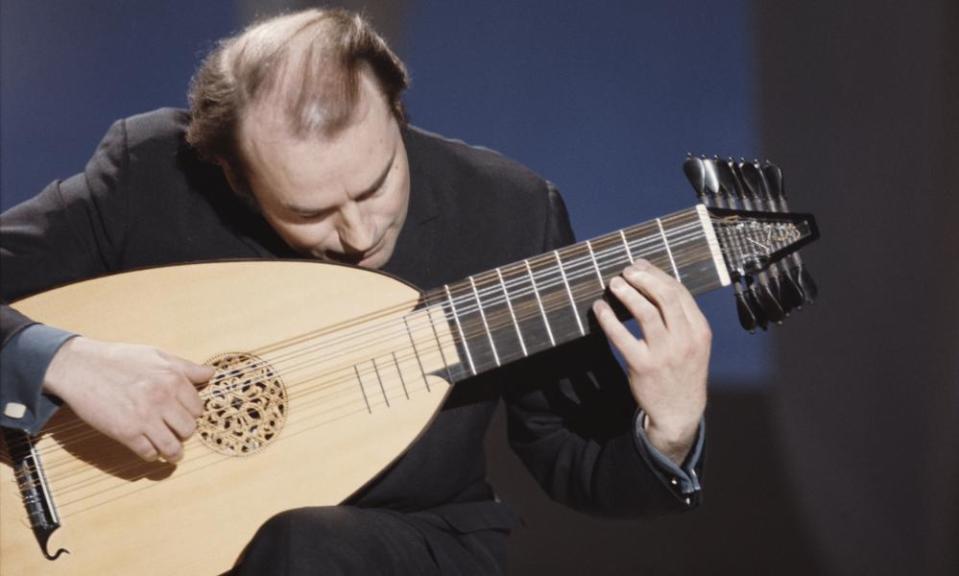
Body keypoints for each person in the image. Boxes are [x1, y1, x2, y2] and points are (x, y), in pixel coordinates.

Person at [0, 9, 710, 574]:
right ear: (233, 175)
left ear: (396, 113)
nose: (362, 231)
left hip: (403, 541)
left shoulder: (507, 210)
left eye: (376, 183)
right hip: (137, 534)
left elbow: (567, 452)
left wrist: (668, 432)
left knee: (306, 547)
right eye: (308, 212)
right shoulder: (151, 173)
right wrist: (59, 360)